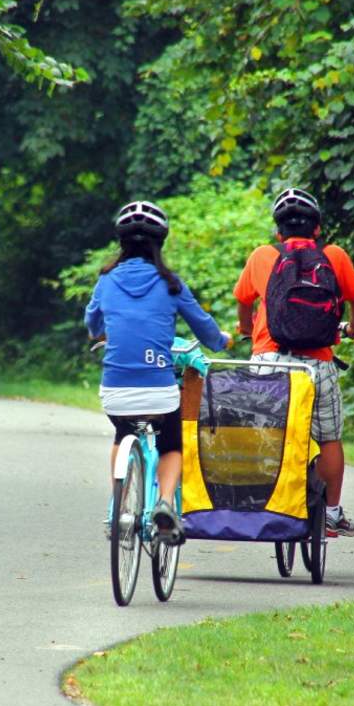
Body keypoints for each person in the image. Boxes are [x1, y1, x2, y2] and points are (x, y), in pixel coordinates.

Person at [85, 200, 231, 543]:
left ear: (121, 243)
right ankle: (165, 503)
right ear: (159, 243)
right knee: (171, 443)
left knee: (122, 435)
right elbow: (206, 331)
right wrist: (222, 341)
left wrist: (103, 332)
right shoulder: (171, 284)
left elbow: (93, 325)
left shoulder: (106, 281)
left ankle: (117, 505)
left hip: (115, 393)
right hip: (159, 392)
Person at [233, 188, 354, 537]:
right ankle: (333, 513)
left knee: (265, 433)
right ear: (318, 229)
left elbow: (243, 303)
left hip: (269, 362)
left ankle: (258, 501)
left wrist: (248, 329)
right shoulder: (334, 255)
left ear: (278, 232)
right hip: (316, 365)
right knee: (328, 438)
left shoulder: (263, 255)